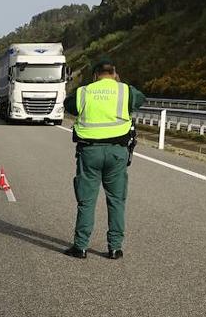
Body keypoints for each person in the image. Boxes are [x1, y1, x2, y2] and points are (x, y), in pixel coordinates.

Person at [63, 57, 146, 260]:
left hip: (90, 152)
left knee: (86, 201)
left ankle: (80, 247)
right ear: (115, 74)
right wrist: (120, 85)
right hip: (117, 152)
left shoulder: (84, 92)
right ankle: (115, 248)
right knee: (116, 200)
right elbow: (140, 99)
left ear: (94, 75)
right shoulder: (124, 90)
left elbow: (69, 106)